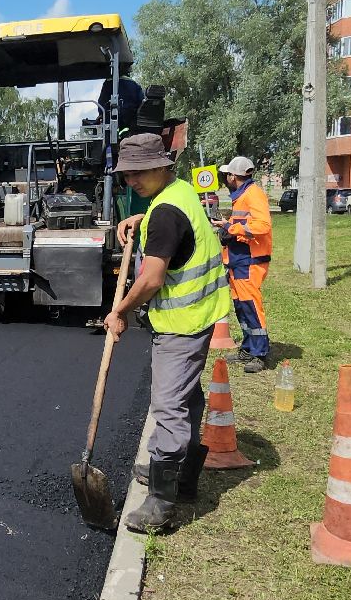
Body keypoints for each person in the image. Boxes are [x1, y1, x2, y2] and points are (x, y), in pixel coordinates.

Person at [106, 133, 232, 534]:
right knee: (187, 396)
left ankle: (161, 500)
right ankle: (186, 473)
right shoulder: (179, 194)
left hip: (181, 324)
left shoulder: (165, 213)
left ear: (164, 166)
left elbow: (152, 278)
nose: (133, 182)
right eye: (128, 175)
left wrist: (120, 310)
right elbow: (174, 225)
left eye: (141, 172)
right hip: (202, 315)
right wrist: (138, 218)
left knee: (166, 406)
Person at [215, 156, 272, 373]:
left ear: (232, 176)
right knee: (241, 306)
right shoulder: (242, 196)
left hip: (250, 259)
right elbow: (243, 224)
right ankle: (248, 348)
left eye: (226, 175)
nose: (225, 178)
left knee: (250, 305)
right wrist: (228, 226)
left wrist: (232, 229)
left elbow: (262, 225)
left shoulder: (253, 194)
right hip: (239, 258)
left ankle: (260, 353)